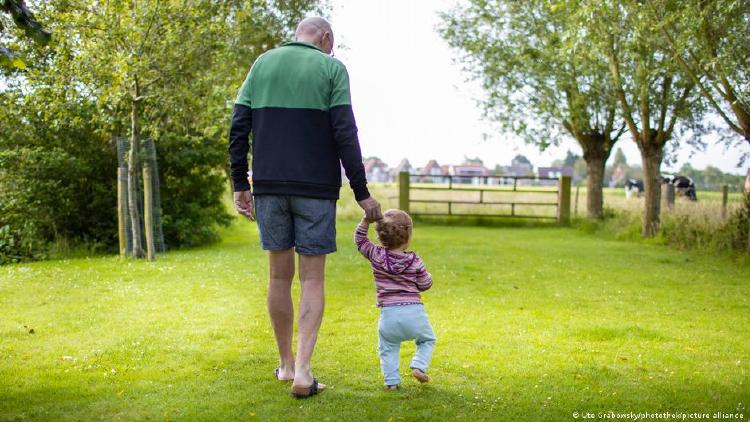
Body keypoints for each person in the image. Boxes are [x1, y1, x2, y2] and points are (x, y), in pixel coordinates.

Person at [228, 16, 383, 398]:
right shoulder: (332, 68)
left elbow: (238, 126)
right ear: (326, 38)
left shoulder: (262, 64)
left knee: (279, 277)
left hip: (268, 186)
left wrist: (238, 183)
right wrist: (362, 192)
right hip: (316, 189)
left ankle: (284, 364)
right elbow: (345, 132)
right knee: (312, 278)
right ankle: (303, 371)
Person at [354, 209, 436, 390]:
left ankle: (391, 382)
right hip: (414, 313)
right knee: (427, 340)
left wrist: (365, 221)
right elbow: (424, 284)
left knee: (388, 348)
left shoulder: (376, 255)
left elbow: (360, 241)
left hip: (389, 315)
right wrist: (428, 277)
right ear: (407, 236)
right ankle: (418, 365)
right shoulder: (415, 261)